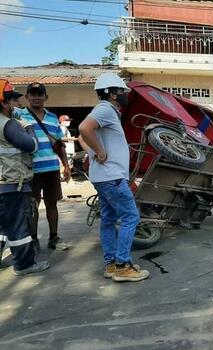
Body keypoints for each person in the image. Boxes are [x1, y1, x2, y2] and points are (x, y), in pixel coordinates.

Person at [79, 72, 150, 282]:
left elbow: (87, 132)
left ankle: (111, 264)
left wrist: (99, 149)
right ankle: (122, 265)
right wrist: (100, 151)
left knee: (109, 220)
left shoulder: (107, 111)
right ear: (111, 94)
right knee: (130, 217)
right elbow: (84, 128)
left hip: (103, 177)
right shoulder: (105, 110)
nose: (124, 94)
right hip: (111, 177)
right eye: (121, 91)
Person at [0, 79, 49, 275]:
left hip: (3, 182)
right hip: (12, 183)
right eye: (13, 100)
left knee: (2, 226)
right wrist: (28, 126)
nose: (18, 104)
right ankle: (24, 264)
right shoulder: (9, 124)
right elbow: (33, 146)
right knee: (18, 225)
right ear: (4, 103)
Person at [19, 83, 71, 252]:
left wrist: (66, 165)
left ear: (45, 97)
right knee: (33, 206)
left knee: (52, 204)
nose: (36, 97)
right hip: (30, 170)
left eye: (39, 94)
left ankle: (53, 237)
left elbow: (59, 144)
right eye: (32, 94)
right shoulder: (18, 115)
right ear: (26, 97)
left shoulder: (52, 117)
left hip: (51, 168)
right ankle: (33, 239)